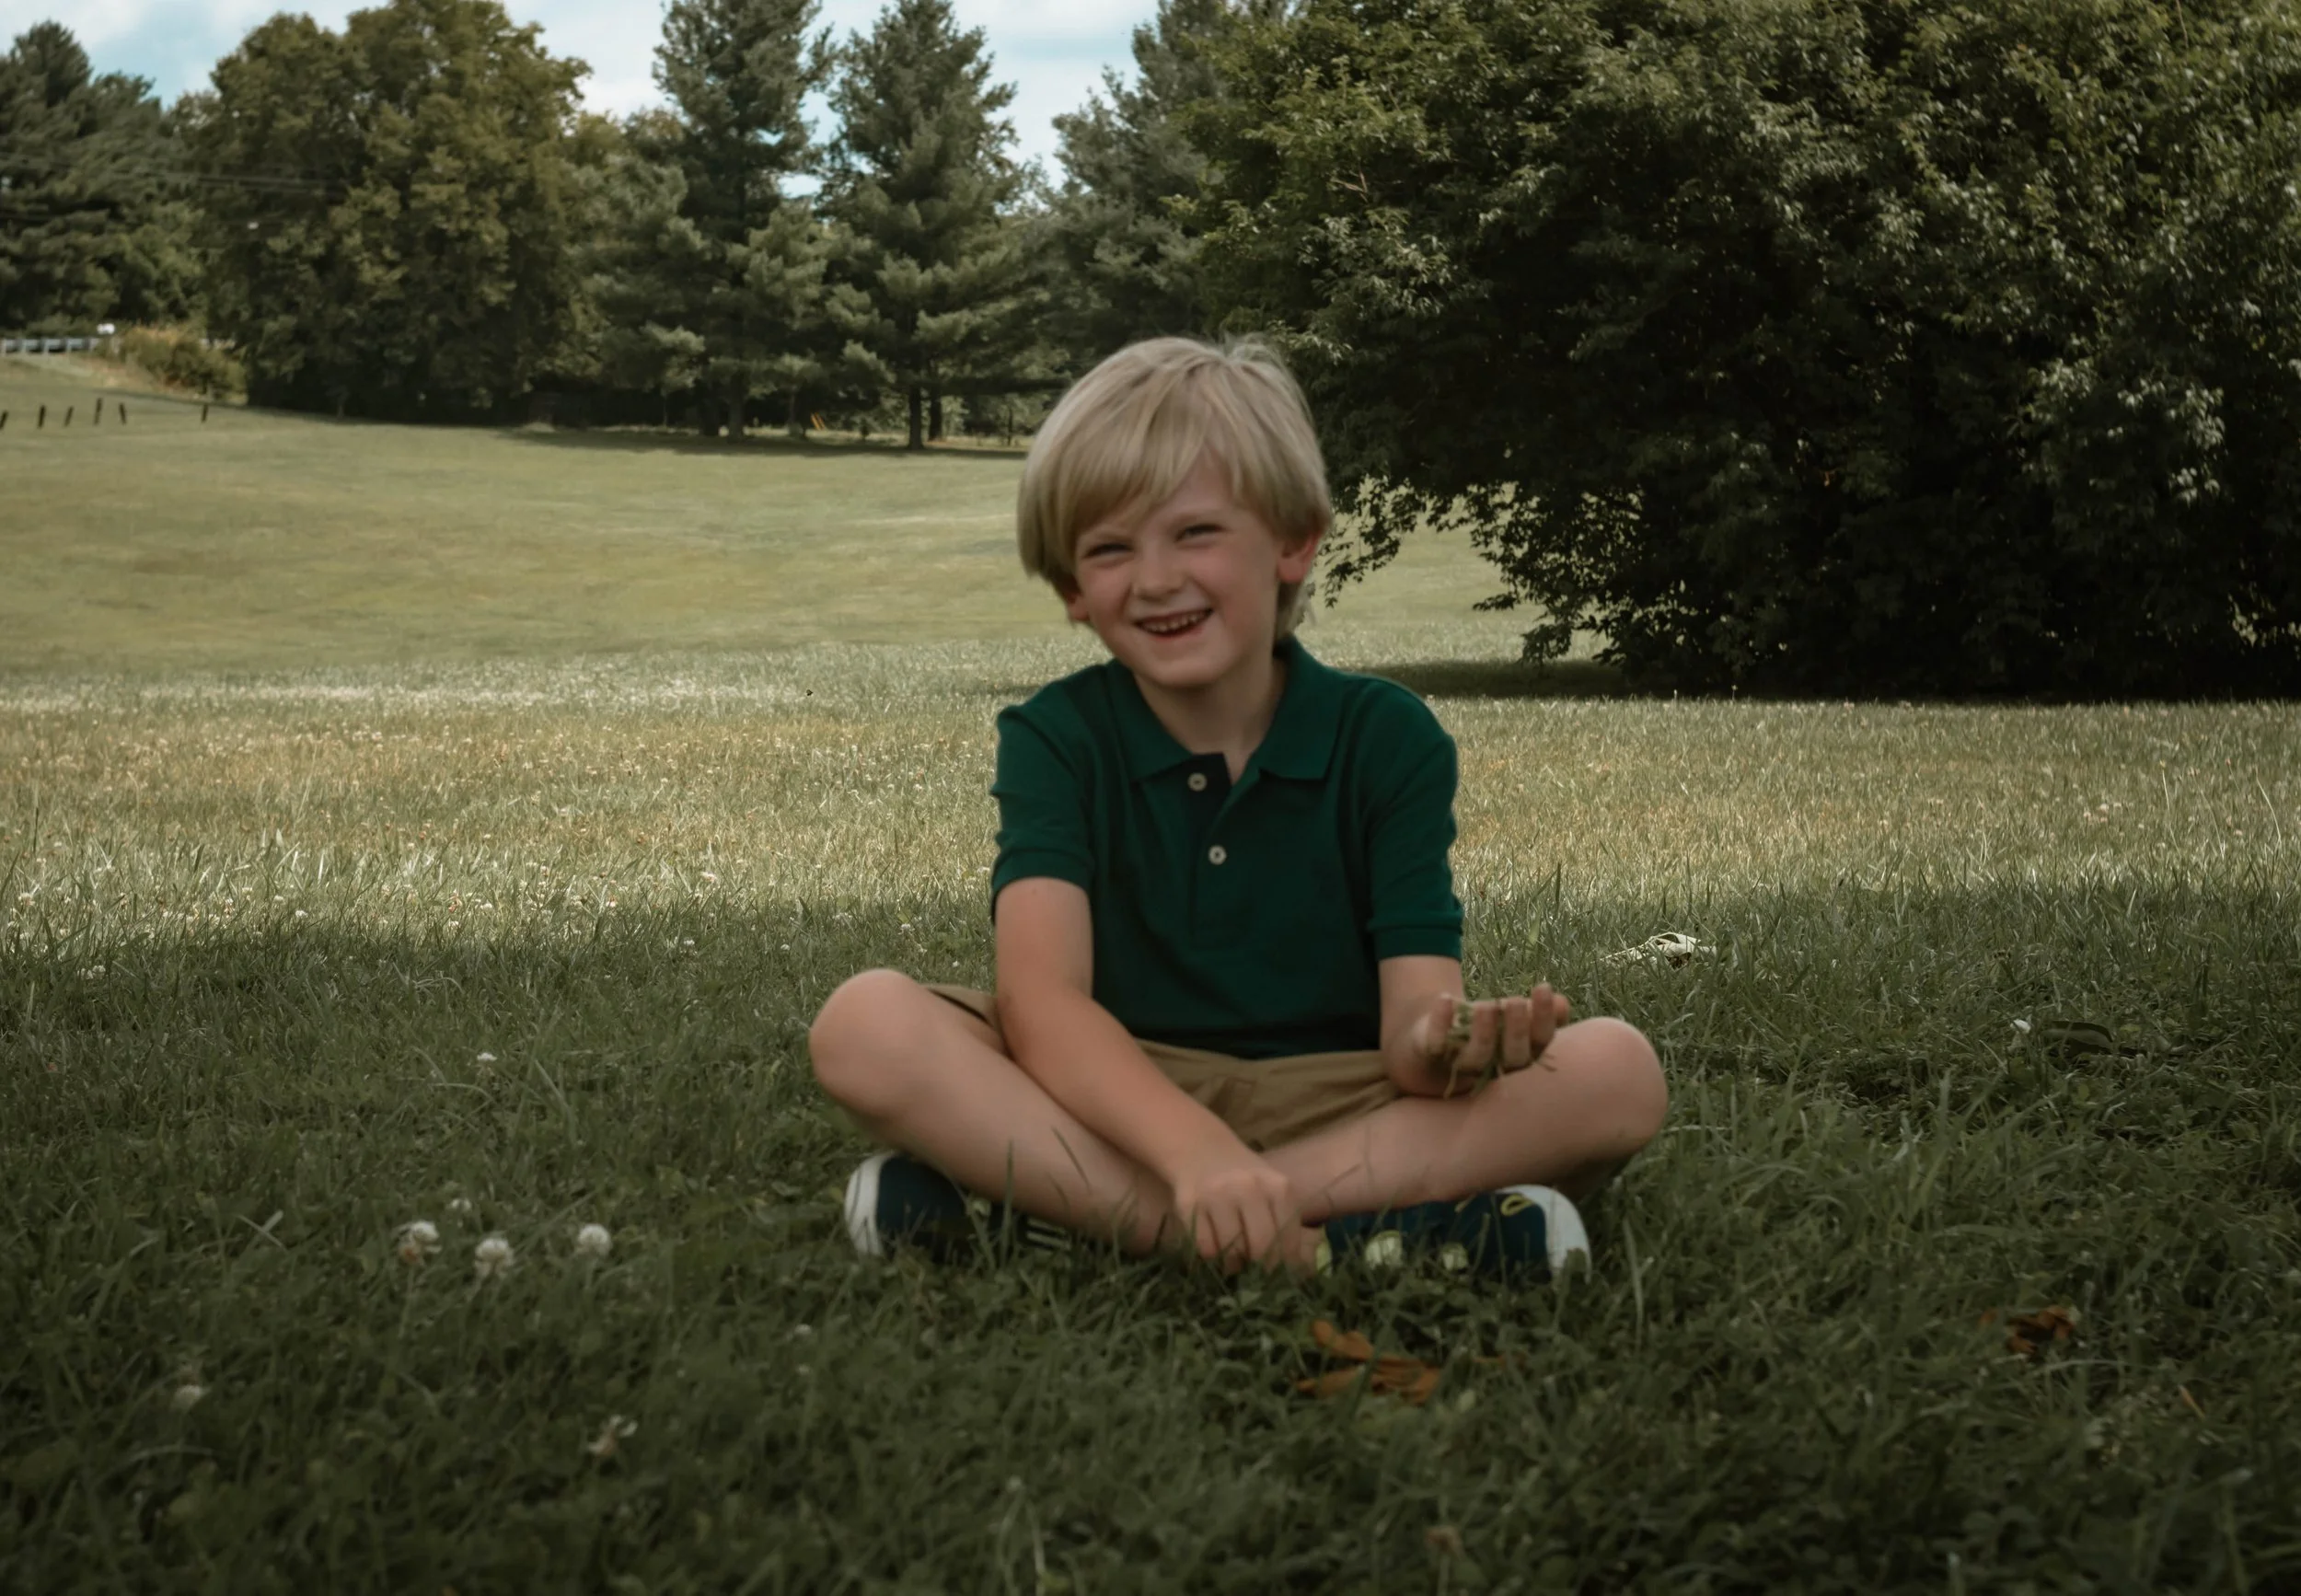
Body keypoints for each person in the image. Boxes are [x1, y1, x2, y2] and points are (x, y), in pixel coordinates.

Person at [810, 338, 1667, 1278]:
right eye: (1109, 549)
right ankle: (1326, 1249)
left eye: (1195, 532)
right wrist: (1195, 1154)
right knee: (867, 1025)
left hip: (1342, 1106)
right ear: (1071, 591)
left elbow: (1413, 1037)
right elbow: (1044, 1008)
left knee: (1615, 1072)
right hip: (1116, 1094)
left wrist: (1449, 1040)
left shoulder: (1387, 737)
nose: (1154, 578)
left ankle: (1084, 1220)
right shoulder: (1055, 737)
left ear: (1294, 539)